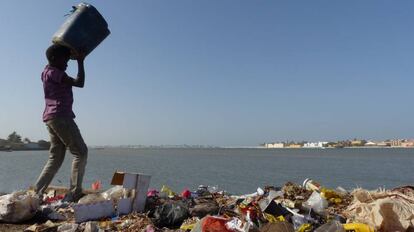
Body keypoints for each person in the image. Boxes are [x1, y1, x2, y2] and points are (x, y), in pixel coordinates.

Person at [34, 44, 87, 202]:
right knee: (81, 152)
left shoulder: (46, 72)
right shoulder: (55, 73)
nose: (66, 63)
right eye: (65, 59)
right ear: (53, 59)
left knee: (55, 158)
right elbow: (79, 82)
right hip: (61, 116)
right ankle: (74, 193)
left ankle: (36, 192)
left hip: (51, 118)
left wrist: (69, 54)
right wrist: (80, 61)